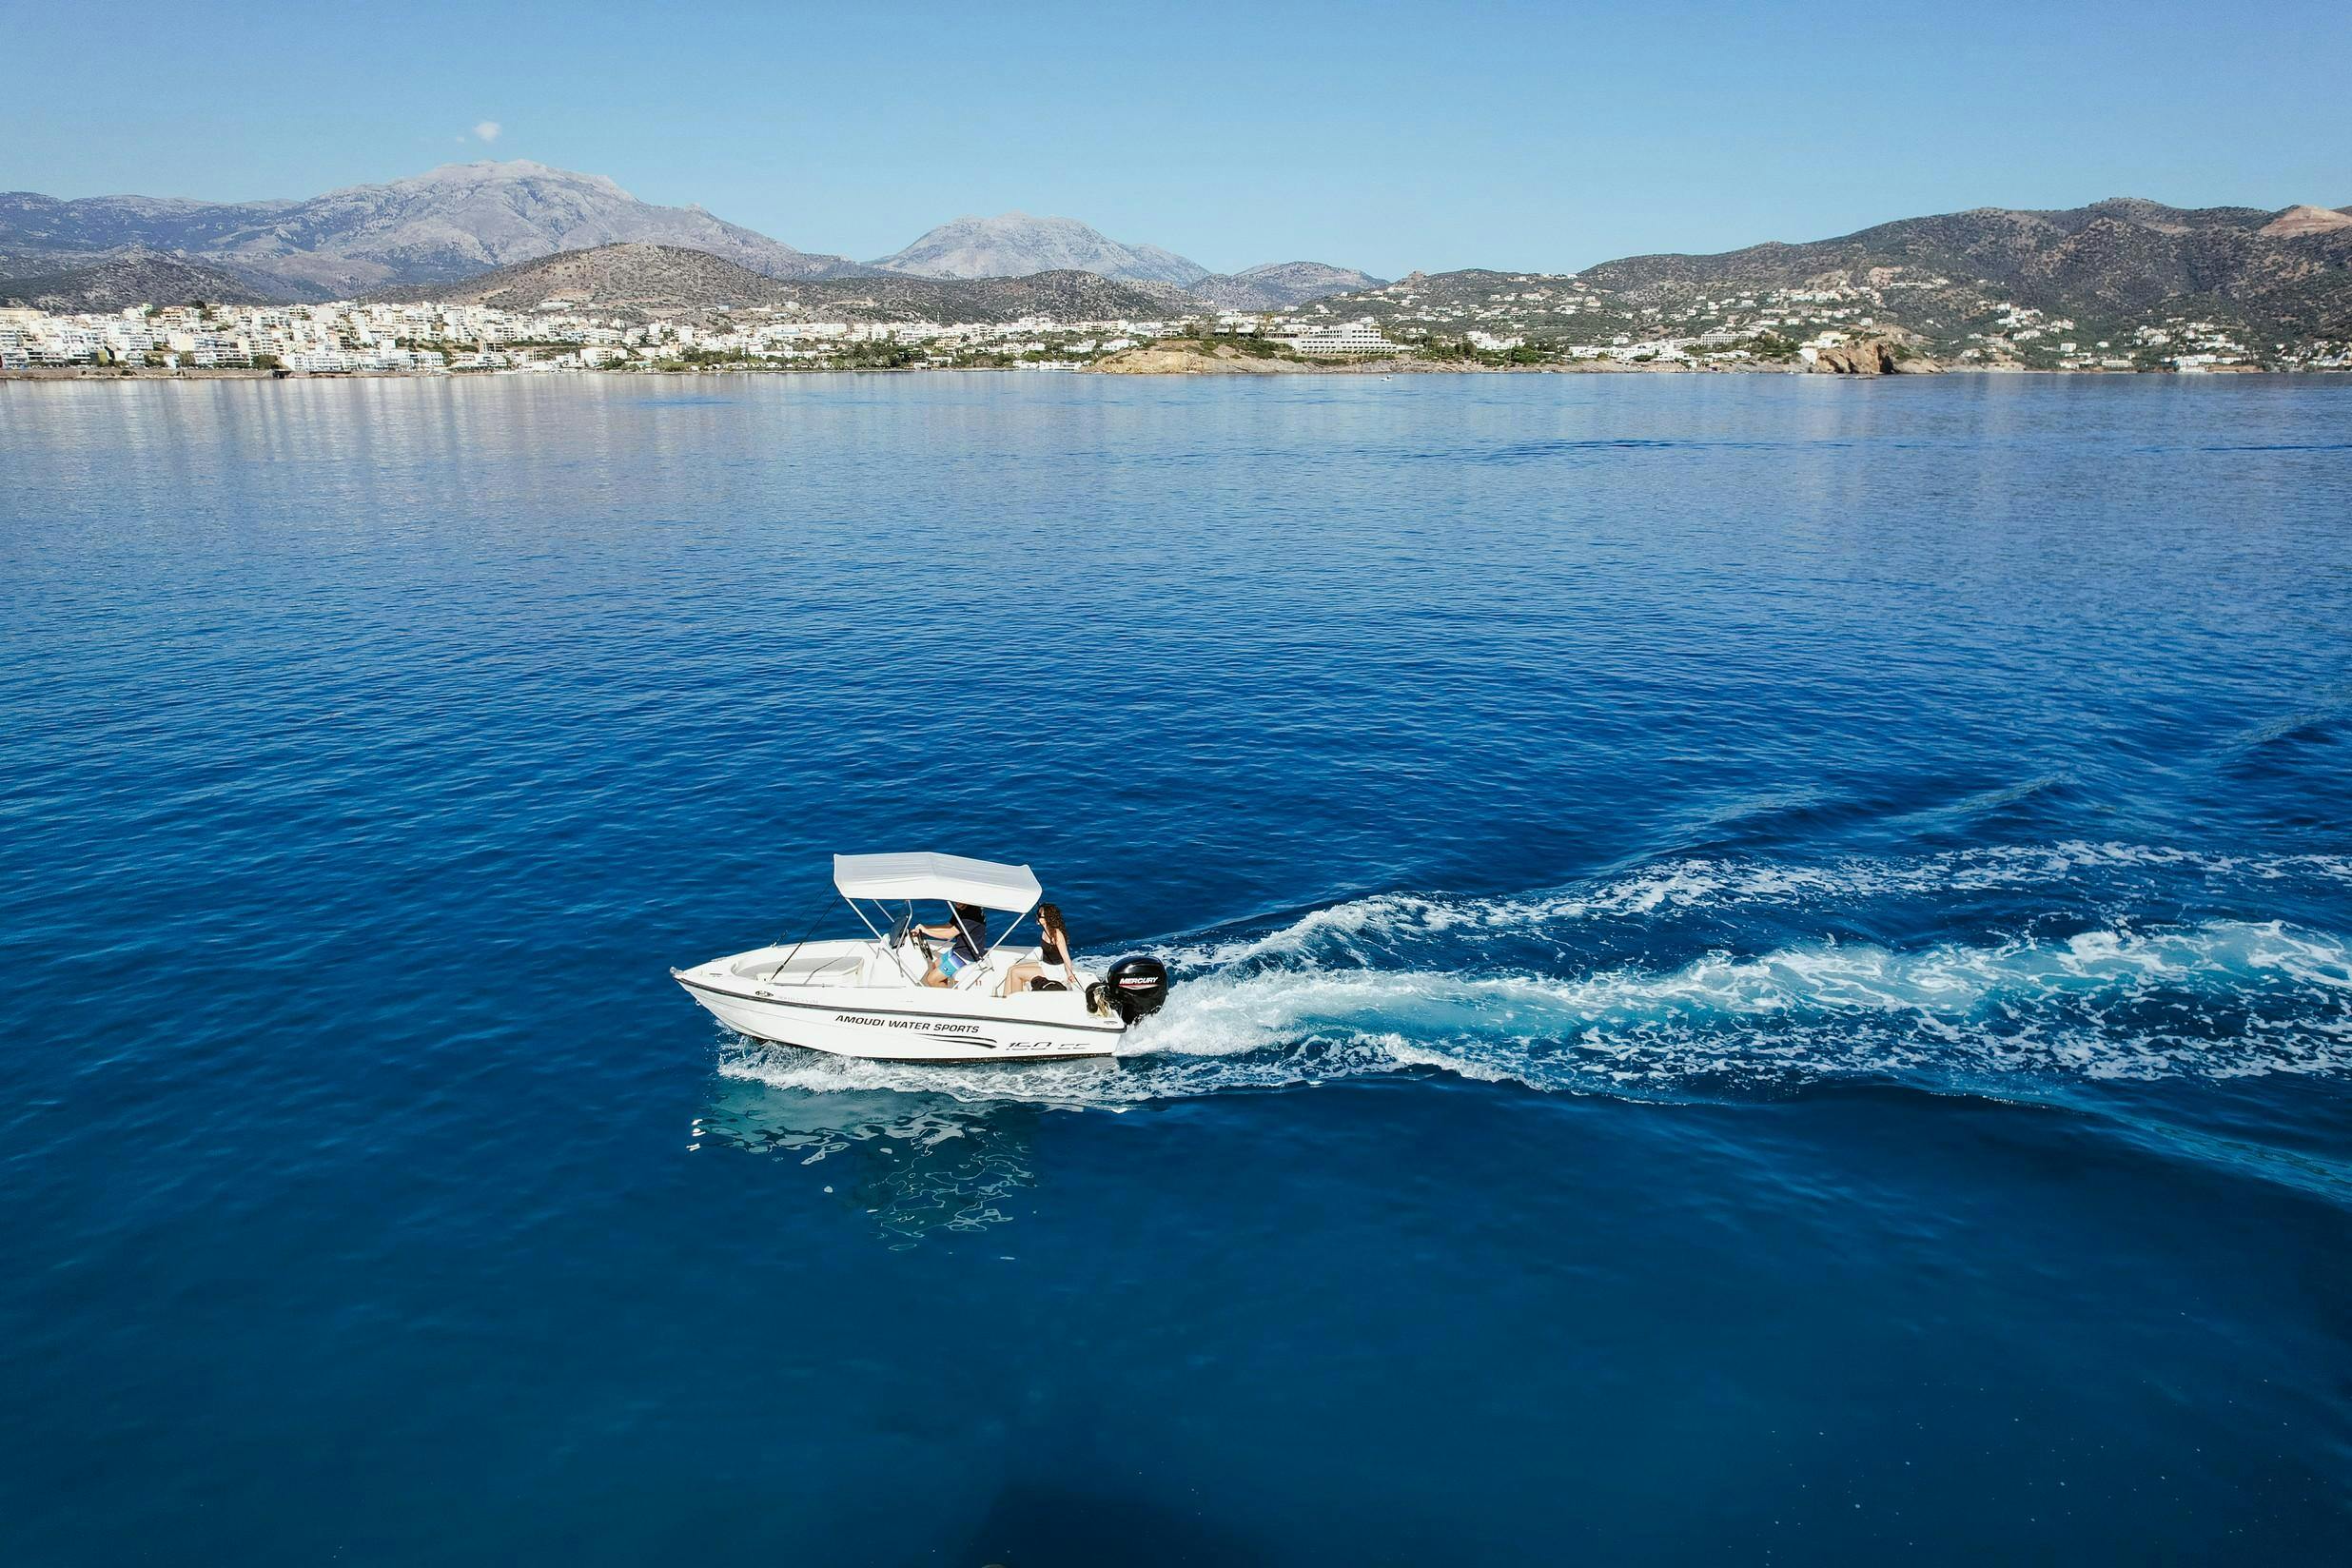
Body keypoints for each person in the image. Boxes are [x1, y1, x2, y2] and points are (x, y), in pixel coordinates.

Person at [997, 902, 1081, 997]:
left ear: (1047, 918)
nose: (1037, 917)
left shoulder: (1057, 934)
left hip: (1054, 971)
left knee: (1016, 973)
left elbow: (1065, 956)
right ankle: (1005, 998)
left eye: (1039, 915)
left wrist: (1070, 974)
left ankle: (1016, 1004)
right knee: (1011, 969)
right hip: (1045, 965)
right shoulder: (1045, 931)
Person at [915, 901, 988, 989]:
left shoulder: (972, 915)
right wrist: (925, 927)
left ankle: (947, 1000)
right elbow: (949, 926)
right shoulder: (961, 907)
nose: (957, 903)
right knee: (934, 965)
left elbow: (949, 934)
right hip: (959, 949)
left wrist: (926, 931)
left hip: (967, 956)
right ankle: (944, 990)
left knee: (932, 979)